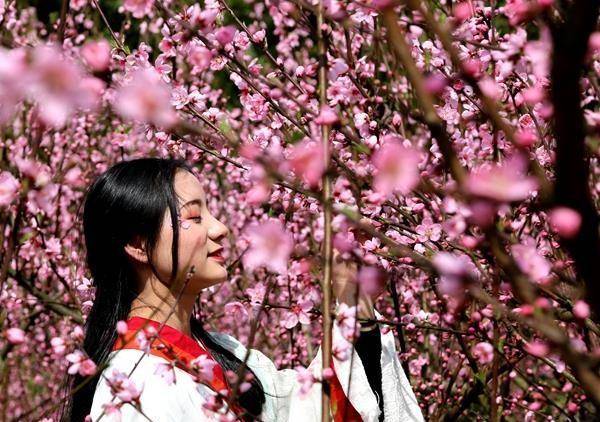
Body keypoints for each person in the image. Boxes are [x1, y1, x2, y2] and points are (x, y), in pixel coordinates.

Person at [61, 158, 423, 421]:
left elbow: (310, 408)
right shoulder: (132, 387)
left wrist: (350, 304)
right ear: (138, 244)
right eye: (194, 217)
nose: (220, 229)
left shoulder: (227, 358)